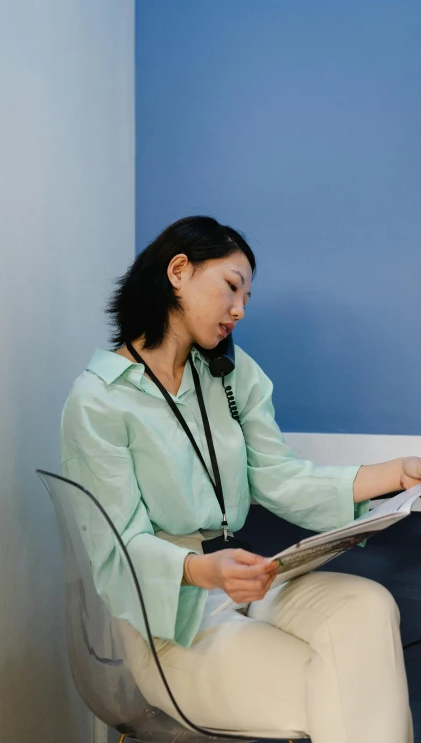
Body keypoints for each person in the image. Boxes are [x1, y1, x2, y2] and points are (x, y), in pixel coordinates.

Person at [60, 216, 419, 743]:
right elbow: (120, 550)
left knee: (367, 608)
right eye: (231, 286)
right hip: (170, 619)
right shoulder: (99, 401)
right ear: (178, 271)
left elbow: (280, 478)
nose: (240, 309)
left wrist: (401, 472)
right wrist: (205, 571)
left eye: (247, 295)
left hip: (253, 579)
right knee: (342, 685)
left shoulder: (231, 373)